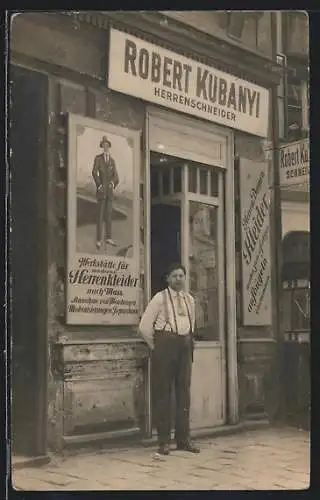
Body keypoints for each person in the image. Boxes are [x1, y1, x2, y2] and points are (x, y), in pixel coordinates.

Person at [139, 262, 200, 456]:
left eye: (181, 275)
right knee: (163, 394)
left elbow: (192, 324)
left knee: (184, 393)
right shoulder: (159, 298)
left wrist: (188, 340)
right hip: (165, 345)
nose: (178, 279)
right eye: (174, 276)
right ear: (167, 279)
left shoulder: (190, 299)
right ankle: (163, 442)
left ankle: (183, 440)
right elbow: (144, 327)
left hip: (184, 345)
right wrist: (156, 347)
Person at [92, 136, 119, 250]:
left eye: (107, 145)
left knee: (108, 215)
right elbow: (94, 172)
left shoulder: (112, 161)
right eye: (104, 145)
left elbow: (116, 177)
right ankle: (98, 240)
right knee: (100, 216)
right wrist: (99, 185)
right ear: (102, 146)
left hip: (110, 193)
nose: (106, 147)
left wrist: (112, 183)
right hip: (102, 192)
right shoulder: (98, 159)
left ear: (109, 146)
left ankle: (108, 238)